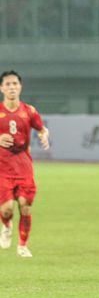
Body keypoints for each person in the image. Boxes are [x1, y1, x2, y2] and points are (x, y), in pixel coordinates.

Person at [0, 70, 50, 257]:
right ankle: (6, 225)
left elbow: (42, 129)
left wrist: (44, 137)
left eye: (15, 84)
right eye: (8, 84)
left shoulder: (29, 111)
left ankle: (22, 245)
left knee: (25, 205)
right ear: (1, 88)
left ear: (20, 87)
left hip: (23, 166)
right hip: (2, 167)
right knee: (5, 210)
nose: (12, 87)